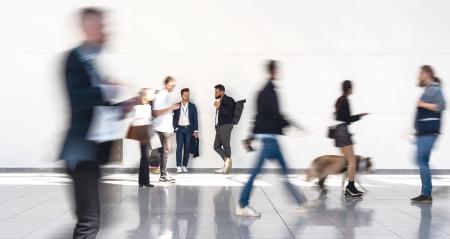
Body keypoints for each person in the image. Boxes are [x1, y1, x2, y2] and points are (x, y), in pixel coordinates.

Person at [59, 7, 111, 238]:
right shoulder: (75, 59)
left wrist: (121, 105)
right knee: (88, 224)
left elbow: (96, 105)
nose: (106, 31)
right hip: (80, 153)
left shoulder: (90, 63)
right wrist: (108, 90)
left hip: (89, 153)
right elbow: (78, 99)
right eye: (101, 26)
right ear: (88, 28)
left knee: (88, 221)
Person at [236, 60, 307, 217]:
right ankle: (242, 204)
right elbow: (276, 115)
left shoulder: (262, 92)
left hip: (269, 139)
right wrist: (294, 125)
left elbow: (258, 117)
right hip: (270, 141)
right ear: (273, 71)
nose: (279, 73)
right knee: (261, 173)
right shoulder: (270, 92)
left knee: (283, 171)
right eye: (278, 70)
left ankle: (301, 202)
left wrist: (251, 136)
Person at [411, 65, 446, 203]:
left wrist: (422, 104)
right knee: (420, 161)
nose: (418, 76)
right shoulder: (428, 90)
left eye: (420, 73)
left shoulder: (435, 89)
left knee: (422, 161)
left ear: (427, 74)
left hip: (428, 133)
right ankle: (425, 193)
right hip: (423, 133)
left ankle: (426, 193)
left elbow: (442, 106)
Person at [333, 80, 368, 198]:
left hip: (338, 132)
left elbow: (337, 116)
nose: (353, 89)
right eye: (352, 87)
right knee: (352, 160)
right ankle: (350, 187)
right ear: (349, 88)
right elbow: (347, 119)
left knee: (349, 161)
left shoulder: (339, 100)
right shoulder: (345, 100)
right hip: (343, 131)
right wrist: (360, 116)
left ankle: (350, 187)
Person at [152, 76, 180, 182]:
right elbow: (157, 112)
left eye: (174, 85)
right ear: (166, 84)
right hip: (162, 128)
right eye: (172, 84)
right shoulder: (161, 95)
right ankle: (162, 174)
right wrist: (172, 107)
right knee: (165, 150)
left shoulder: (166, 95)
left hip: (166, 128)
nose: (174, 86)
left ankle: (163, 172)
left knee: (167, 149)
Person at [127, 88, 155, 187]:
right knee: (145, 158)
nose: (151, 96)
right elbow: (141, 121)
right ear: (144, 96)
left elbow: (145, 120)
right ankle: (144, 182)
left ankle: (142, 182)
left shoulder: (145, 106)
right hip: (143, 134)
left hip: (145, 134)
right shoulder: (141, 107)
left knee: (144, 158)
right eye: (149, 94)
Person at [173, 88, 199, 173]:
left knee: (187, 148)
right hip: (179, 129)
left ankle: (184, 166)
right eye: (185, 94)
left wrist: (196, 131)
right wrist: (176, 128)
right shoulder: (176, 105)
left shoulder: (192, 106)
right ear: (181, 95)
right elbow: (172, 118)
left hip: (189, 129)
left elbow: (195, 119)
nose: (187, 96)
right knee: (179, 147)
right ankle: (178, 166)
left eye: (188, 94)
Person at [213, 84, 235, 174]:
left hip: (226, 125)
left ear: (222, 92)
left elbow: (229, 113)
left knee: (226, 145)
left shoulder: (229, 99)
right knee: (216, 146)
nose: (215, 93)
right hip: (220, 126)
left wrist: (219, 107)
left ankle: (227, 168)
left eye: (216, 91)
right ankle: (226, 162)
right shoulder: (220, 100)